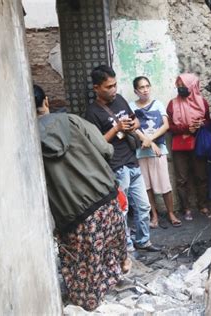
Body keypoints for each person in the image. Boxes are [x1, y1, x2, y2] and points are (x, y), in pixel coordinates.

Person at [34, 84, 130, 311]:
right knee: (109, 247)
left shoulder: (29, 140)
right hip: (105, 199)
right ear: (46, 101)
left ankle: (89, 301)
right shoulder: (72, 121)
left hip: (74, 214)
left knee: (83, 263)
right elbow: (106, 150)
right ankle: (116, 276)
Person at [85, 65, 160, 252]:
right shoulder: (92, 112)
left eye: (115, 85)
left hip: (132, 161)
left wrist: (132, 124)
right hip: (116, 166)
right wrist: (117, 128)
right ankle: (126, 248)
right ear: (96, 88)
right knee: (122, 210)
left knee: (144, 206)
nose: (113, 90)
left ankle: (143, 241)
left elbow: (135, 120)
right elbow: (97, 143)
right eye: (108, 87)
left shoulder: (119, 99)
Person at [129, 76, 182, 228]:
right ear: (136, 91)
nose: (145, 90)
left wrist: (150, 140)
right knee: (147, 187)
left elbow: (165, 126)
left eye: (147, 86)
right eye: (141, 87)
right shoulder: (131, 107)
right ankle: (154, 215)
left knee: (165, 184)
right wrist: (149, 142)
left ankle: (171, 213)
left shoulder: (158, 104)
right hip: (141, 152)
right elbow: (133, 127)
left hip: (159, 150)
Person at [167, 73, 211, 220]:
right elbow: (170, 127)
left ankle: (203, 205)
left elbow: (209, 123)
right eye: (178, 85)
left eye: (183, 85)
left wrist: (201, 125)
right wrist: (187, 128)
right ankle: (186, 208)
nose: (180, 88)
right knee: (182, 179)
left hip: (198, 144)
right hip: (180, 146)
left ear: (192, 86)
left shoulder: (202, 103)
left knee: (201, 176)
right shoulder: (172, 104)